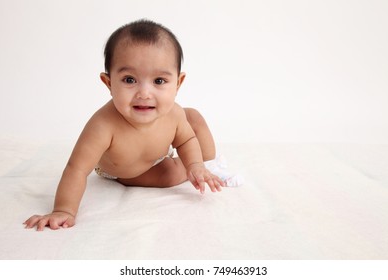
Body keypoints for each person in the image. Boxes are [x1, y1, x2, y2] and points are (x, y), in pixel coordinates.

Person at [24, 19, 241, 231]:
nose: (144, 94)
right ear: (109, 83)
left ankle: (209, 167)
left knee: (193, 117)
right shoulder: (103, 125)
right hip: (131, 170)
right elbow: (77, 169)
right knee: (170, 174)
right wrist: (64, 210)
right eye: (129, 80)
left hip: (159, 147)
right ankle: (193, 168)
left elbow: (186, 139)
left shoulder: (173, 113)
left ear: (178, 83)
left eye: (159, 81)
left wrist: (196, 165)